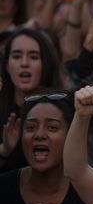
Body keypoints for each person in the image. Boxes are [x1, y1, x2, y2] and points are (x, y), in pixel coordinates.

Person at [0, 28, 61, 172]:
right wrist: (5, 150)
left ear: (45, 64)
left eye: (33, 57)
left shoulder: (62, 107)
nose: (24, 63)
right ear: (7, 66)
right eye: (16, 56)